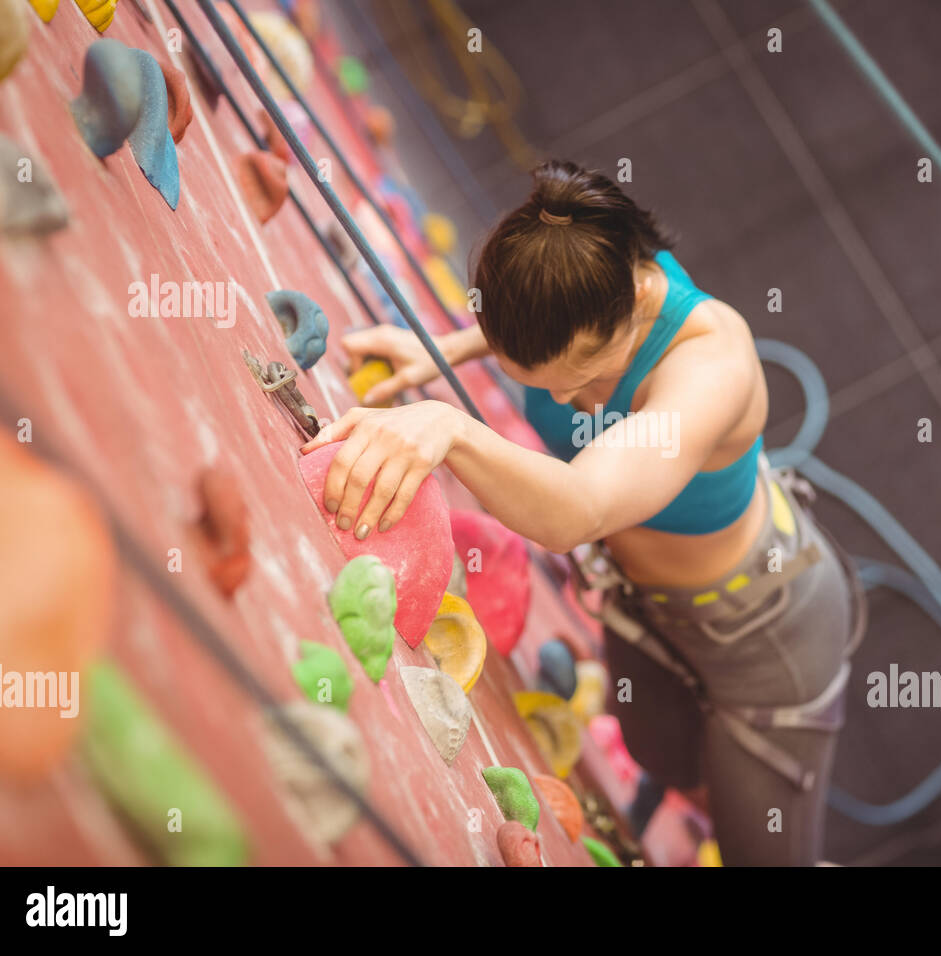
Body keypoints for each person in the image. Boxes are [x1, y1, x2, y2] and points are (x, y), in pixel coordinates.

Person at [301, 159, 864, 866]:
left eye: (585, 384)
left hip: (765, 635)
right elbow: (538, 320)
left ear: (629, 310)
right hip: (651, 604)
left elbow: (579, 508)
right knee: (660, 750)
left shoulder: (710, 368)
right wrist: (443, 347)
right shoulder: (590, 259)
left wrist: (449, 429)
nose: (572, 407)